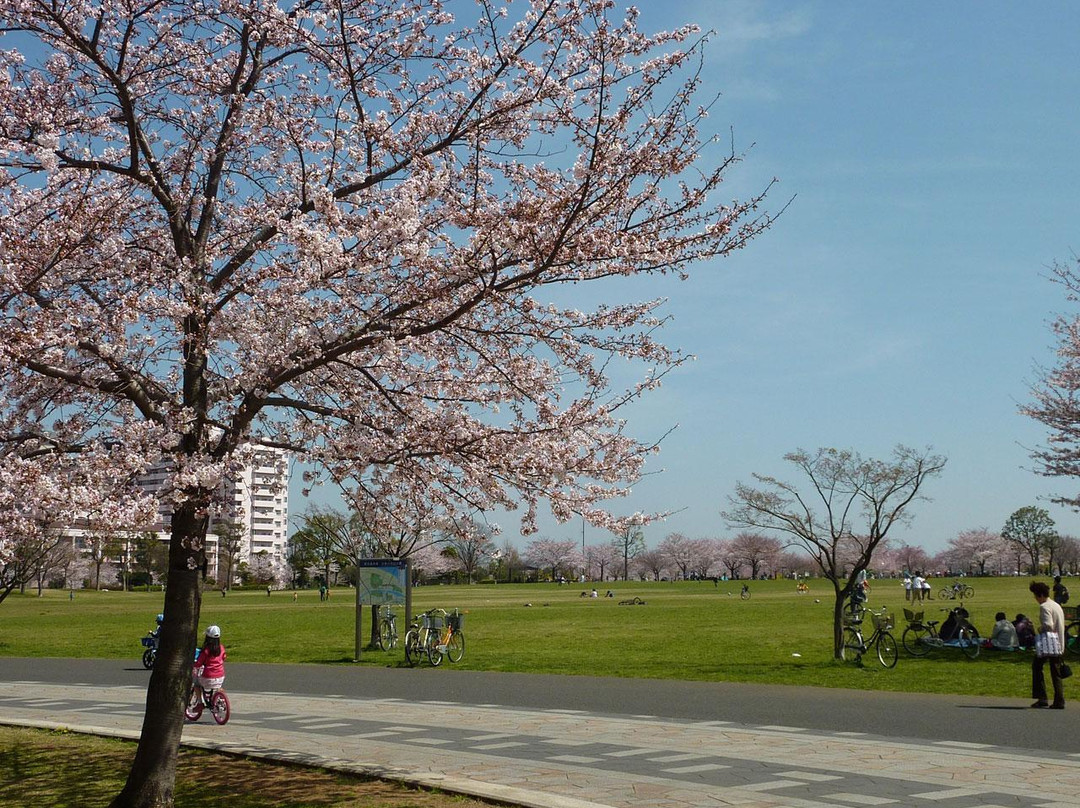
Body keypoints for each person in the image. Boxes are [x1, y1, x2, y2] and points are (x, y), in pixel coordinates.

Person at [1029, 581, 1066, 709]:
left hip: (1049, 643)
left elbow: (1048, 625)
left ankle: (1042, 697)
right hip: (1059, 643)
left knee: (1037, 666)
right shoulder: (1056, 605)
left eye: (1035, 596)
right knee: (1055, 671)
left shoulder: (1044, 607)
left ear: (1039, 595)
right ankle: (1059, 699)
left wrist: (1039, 629)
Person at [192, 625, 227, 703]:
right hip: (220, 676)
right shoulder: (221, 648)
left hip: (208, 677)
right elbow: (224, 657)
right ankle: (221, 700)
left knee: (196, 685)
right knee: (218, 687)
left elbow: (199, 663)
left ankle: (200, 702)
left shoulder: (206, 651)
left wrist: (194, 666)